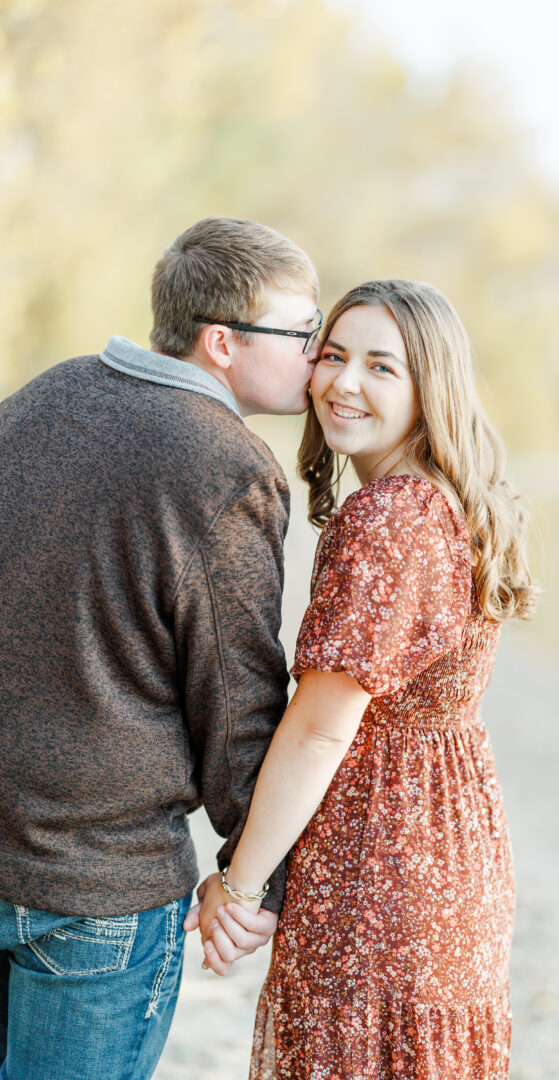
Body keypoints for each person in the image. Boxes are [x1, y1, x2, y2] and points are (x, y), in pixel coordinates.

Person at [189, 279, 537, 1078]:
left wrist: (241, 891)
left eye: (383, 367)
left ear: (429, 388)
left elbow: (319, 727)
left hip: (382, 862)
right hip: (451, 851)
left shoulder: (390, 518)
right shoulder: (450, 501)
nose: (345, 383)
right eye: (334, 355)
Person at [0, 217, 322, 1080]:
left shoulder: (34, 399)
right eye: (301, 332)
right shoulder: (228, 465)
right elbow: (236, 694)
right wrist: (254, 881)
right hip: (100, 890)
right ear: (222, 341)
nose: (317, 355)